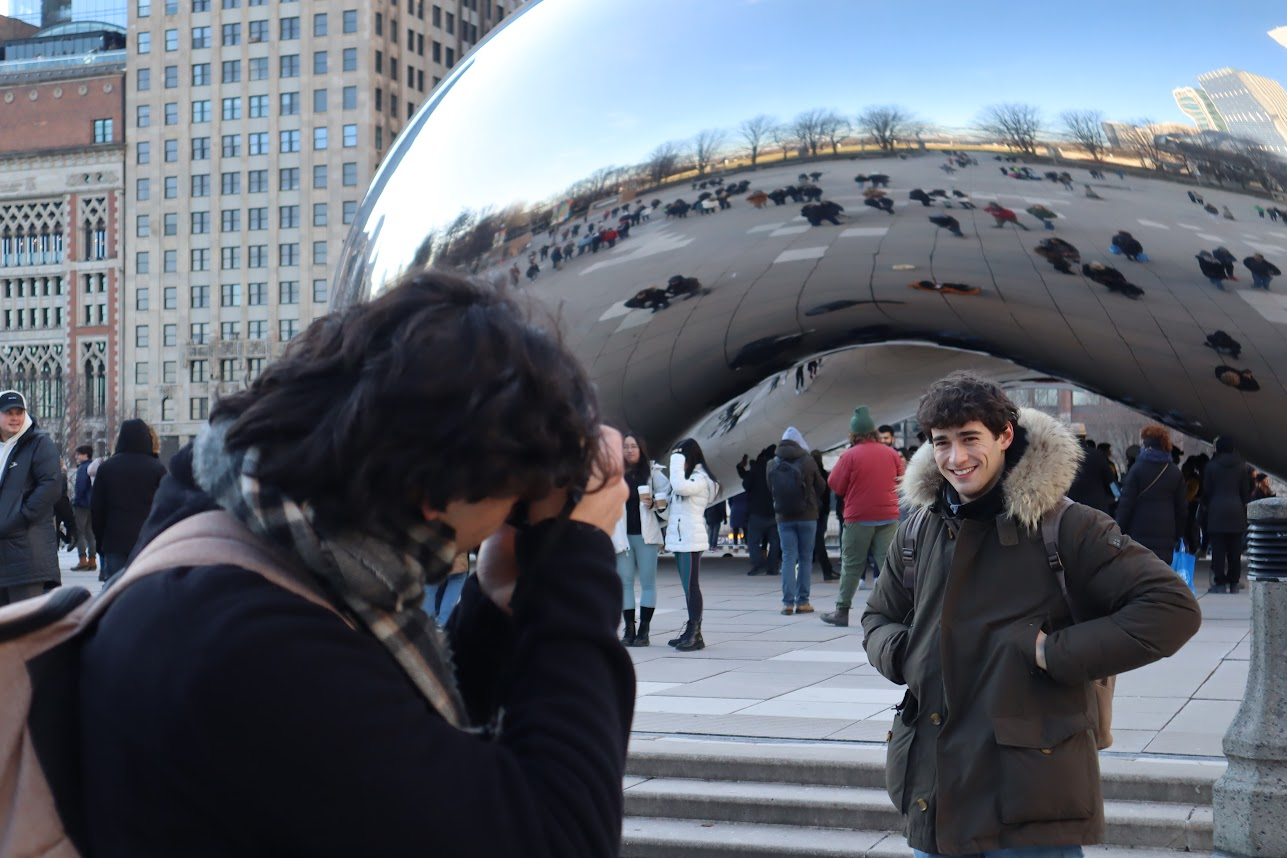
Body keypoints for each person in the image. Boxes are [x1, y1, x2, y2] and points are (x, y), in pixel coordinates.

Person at [77, 270, 635, 857]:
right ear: (434, 491)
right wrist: (574, 565)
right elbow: (558, 838)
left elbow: (409, 760)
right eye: (512, 492)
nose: (510, 515)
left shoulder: (241, 539)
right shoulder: (257, 646)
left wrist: (496, 608)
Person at [862, 372, 1201, 858]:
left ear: (1004, 436)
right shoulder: (918, 530)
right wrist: (907, 654)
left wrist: (1053, 653)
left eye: (970, 439)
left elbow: (1172, 609)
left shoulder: (1068, 525)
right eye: (943, 443)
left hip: (1029, 801)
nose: (956, 459)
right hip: (935, 794)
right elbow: (877, 618)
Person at [821, 406, 904, 626]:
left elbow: (835, 485)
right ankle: (898, 611)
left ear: (854, 433)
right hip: (888, 515)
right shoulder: (891, 453)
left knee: (852, 565)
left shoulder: (850, 455)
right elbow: (902, 480)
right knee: (888, 565)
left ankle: (842, 611)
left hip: (859, 517)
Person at [0, 390, 61, 605]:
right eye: (8, 413)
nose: (14, 417)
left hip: (27, 553)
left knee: (25, 629)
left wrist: (22, 517)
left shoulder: (39, 444)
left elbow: (51, 486)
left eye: (19, 412)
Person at [90, 419, 168, 583]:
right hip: (148, 540)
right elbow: (165, 507)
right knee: (145, 590)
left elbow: (97, 509)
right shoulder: (157, 469)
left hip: (115, 540)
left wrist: (101, 541)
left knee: (115, 590)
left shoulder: (107, 468)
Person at [614, 432, 670, 646]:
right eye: (626, 447)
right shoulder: (615, 474)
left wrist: (655, 503)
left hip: (646, 536)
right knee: (625, 583)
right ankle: (629, 629)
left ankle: (644, 630)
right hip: (623, 536)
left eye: (633, 446)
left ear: (641, 449)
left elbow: (668, 500)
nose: (629, 450)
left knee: (648, 583)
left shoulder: (653, 473)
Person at [665, 438, 718, 652]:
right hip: (680, 538)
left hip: (691, 539)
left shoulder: (700, 479)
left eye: (681, 456)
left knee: (691, 586)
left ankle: (695, 633)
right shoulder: (689, 479)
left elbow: (680, 487)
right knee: (687, 587)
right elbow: (672, 510)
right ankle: (691, 630)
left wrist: (676, 458)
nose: (679, 461)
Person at [766, 427, 827, 615]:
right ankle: (803, 602)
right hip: (807, 516)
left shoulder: (772, 463)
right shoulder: (808, 461)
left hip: (783, 517)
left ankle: (787, 603)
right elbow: (821, 487)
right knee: (806, 558)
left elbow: (771, 489)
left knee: (788, 557)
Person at [1115, 424, 1188, 563]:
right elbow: (1182, 509)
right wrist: (1179, 533)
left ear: (1146, 444)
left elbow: (1126, 504)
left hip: (1139, 530)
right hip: (1166, 532)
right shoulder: (1174, 472)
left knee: (1141, 571)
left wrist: (1119, 530)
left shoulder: (1136, 470)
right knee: (1162, 573)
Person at [1201, 436, 1253, 594]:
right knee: (1234, 550)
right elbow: (1245, 492)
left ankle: (1220, 583)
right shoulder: (1242, 466)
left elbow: (1207, 492)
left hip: (1216, 511)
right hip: (1236, 511)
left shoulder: (1211, 466)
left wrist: (1207, 506)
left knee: (1218, 550)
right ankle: (1234, 582)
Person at [739, 447, 781, 576]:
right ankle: (773, 567)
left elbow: (746, 485)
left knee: (753, 541)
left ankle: (758, 564)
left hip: (757, 511)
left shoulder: (756, 468)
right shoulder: (778, 469)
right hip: (775, 511)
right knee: (775, 542)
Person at [1066, 425, 1116, 514]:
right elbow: (1111, 482)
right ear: (1085, 437)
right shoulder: (1098, 455)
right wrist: (1117, 495)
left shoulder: (1064, 457)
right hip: (1097, 512)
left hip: (1071, 512)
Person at [810, 449, 837, 582]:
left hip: (811, 511)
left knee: (814, 541)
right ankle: (827, 570)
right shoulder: (823, 473)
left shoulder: (809, 473)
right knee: (819, 540)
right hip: (822, 511)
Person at [71, 443, 98, 572]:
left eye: (78, 454)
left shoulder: (83, 468)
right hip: (92, 504)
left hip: (81, 504)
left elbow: (80, 487)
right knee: (90, 532)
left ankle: (82, 560)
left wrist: (75, 500)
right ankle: (92, 560)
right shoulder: (94, 467)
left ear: (85, 455)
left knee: (79, 532)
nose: (76, 456)